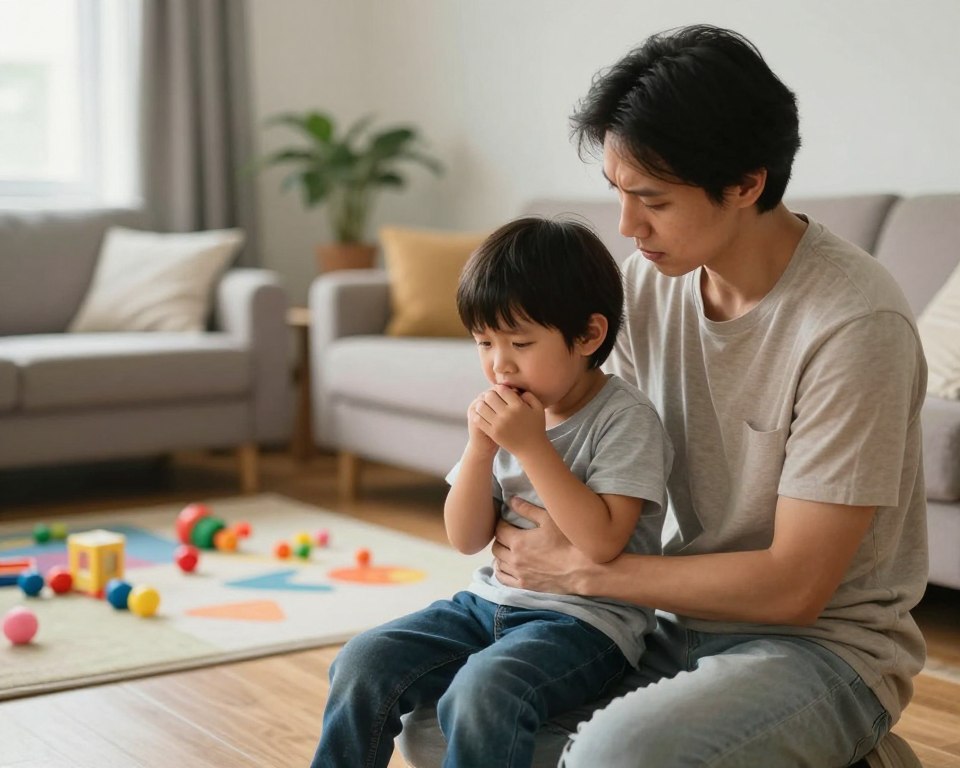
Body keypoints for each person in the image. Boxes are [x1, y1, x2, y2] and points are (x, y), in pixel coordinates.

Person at [397, 24, 928, 768]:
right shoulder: (647, 287)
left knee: (614, 756)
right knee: (438, 723)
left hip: (822, 650)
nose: (626, 225)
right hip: (673, 618)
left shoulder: (852, 323)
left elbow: (796, 588)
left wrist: (582, 571)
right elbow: (592, 450)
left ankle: (845, 743)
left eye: (652, 200)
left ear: (746, 184)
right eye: (618, 193)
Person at [310, 217, 672, 768]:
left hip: (586, 627)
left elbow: (601, 542)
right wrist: (480, 451)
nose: (500, 364)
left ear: (588, 336)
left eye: (520, 343)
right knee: (364, 660)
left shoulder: (626, 420)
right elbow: (466, 537)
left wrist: (531, 449)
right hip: (488, 604)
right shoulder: (509, 417)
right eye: (484, 343)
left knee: (481, 690)